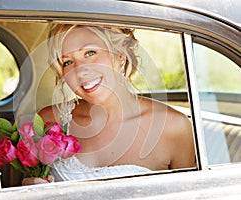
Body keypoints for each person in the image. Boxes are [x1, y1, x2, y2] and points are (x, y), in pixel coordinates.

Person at [33, 24, 195, 182]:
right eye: (67, 62)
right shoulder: (49, 121)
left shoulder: (173, 127)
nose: (81, 70)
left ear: (120, 56)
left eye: (90, 52)